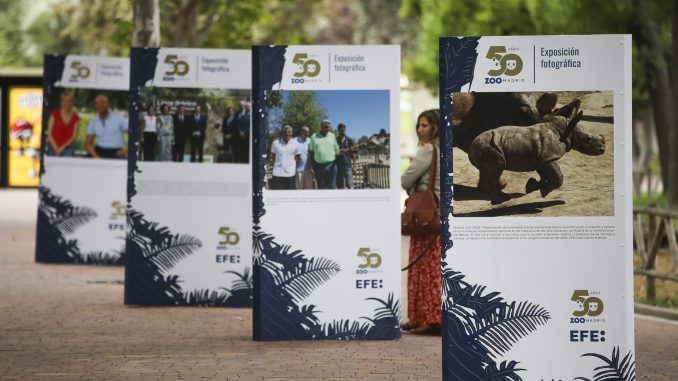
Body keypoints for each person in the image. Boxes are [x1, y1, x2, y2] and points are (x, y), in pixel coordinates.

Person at [400, 109, 441, 335]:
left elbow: (406, 179)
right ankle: (428, 317)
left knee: (423, 268)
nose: (419, 129)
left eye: (424, 125)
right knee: (433, 268)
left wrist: (412, 166)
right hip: (438, 213)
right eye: (419, 125)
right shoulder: (442, 150)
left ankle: (427, 318)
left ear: (434, 128)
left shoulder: (426, 150)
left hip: (424, 215)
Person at [84, 95, 128, 159]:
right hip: (99, 150)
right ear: (95, 106)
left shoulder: (119, 118)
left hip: (116, 151)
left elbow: (133, 136)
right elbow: (87, 145)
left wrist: (125, 150)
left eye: (103, 102)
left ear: (108, 104)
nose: (100, 105)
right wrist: (97, 157)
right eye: (97, 103)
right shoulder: (93, 121)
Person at [309, 119, 339, 189]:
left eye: (329, 127)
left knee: (332, 187)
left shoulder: (332, 136)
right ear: (321, 126)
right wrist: (311, 166)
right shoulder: (314, 136)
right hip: (318, 167)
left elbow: (337, 149)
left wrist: (340, 152)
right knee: (321, 187)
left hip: (331, 165)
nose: (327, 129)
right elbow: (311, 152)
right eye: (325, 127)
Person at [270, 125, 300, 190]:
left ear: (292, 133)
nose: (287, 133)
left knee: (289, 196)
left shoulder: (296, 144)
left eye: (289, 132)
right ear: (282, 132)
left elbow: (297, 157)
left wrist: (290, 164)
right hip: (277, 174)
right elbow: (273, 156)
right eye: (285, 132)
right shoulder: (275, 143)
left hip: (290, 174)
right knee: (276, 196)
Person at [336, 123, 356, 189]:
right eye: (341, 130)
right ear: (338, 130)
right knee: (340, 186)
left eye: (344, 130)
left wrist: (354, 165)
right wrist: (338, 151)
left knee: (350, 185)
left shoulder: (349, 140)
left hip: (348, 166)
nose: (343, 132)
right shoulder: (335, 140)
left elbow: (353, 153)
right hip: (338, 167)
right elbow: (333, 152)